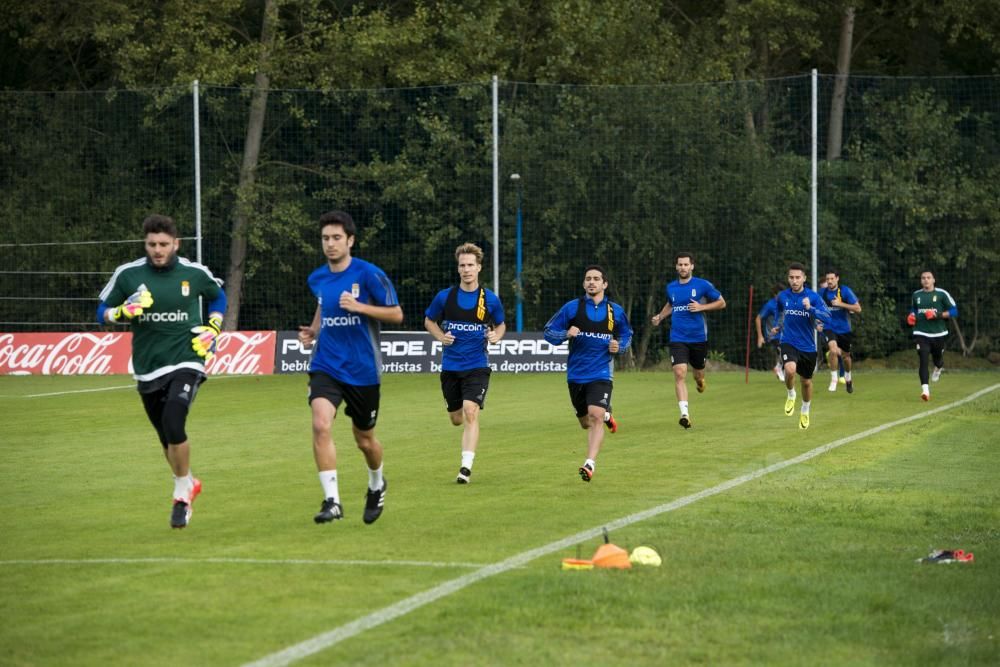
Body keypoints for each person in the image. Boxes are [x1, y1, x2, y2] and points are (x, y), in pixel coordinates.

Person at [97, 214, 226, 529]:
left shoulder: (194, 273)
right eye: (152, 244)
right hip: (147, 366)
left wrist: (214, 325)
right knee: (166, 437)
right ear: (145, 244)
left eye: (163, 244)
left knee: (174, 419)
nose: (157, 250)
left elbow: (217, 296)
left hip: (187, 357)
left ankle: (181, 495)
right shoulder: (127, 275)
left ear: (176, 244)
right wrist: (120, 312)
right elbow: (101, 311)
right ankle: (188, 481)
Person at [298, 210, 403, 525]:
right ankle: (332, 501)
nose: (330, 244)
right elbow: (322, 304)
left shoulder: (369, 274)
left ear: (351, 241)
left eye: (336, 238)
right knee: (320, 424)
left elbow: (396, 314)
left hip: (363, 370)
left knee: (365, 440)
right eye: (325, 239)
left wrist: (360, 307)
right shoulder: (317, 277)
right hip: (326, 364)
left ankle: (376, 483)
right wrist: (314, 331)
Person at [424, 242, 506, 483]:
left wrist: (496, 336)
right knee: (456, 418)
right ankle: (454, 412)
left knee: (471, 412)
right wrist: (441, 336)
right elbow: (429, 321)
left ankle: (465, 468)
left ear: (479, 268)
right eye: (462, 265)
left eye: (471, 265)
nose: (466, 269)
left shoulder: (489, 299)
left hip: (477, 366)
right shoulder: (445, 297)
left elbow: (500, 324)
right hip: (450, 368)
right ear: (458, 268)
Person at [544, 265, 632, 482]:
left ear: (604, 284)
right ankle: (607, 415)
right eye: (588, 279)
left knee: (595, 416)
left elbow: (627, 334)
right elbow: (549, 333)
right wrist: (566, 333)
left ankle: (589, 463)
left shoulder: (615, 311)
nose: (592, 282)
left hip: (601, 372)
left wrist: (619, 346)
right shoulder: (572, 309)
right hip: (576, 376)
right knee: (586, 421)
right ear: (584, 284)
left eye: (596, 279)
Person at [651, 252, 726, 429]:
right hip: (678, 337)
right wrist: (660, 317)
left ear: (692, 266)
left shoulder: (702, 285)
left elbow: (722, 302)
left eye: (686, 264)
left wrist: (702, 307)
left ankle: (700, 381)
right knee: (679, 373)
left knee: (698, 375)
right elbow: (671, 304)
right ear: (676, 267)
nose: (683, 267)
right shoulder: (671, 287)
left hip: (698, 337)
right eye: (680, 265)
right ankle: (684, 414)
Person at [775, 263, 832, 430]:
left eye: (797, 277)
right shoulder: (783, 296)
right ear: (788, 279)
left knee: (806, 382)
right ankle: (791, 394)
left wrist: (811, 308)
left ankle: (805, 410)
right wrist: (778, 325)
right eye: (791, 277)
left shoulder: (813, 297)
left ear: (804, 278)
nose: (794, 280)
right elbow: (778, 312)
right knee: (790, 370)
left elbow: (827, 317)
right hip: (789, 342)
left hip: (807, 347)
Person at [906, 270, 958, 401]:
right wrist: (911, 316)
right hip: (920, 332)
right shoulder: (916, 295)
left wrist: (937, 315)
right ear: (921, 280)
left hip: (938, 333)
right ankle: (925, 391)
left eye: (928, 278)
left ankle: (939, 367)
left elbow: (954, 311)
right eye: (923, 278)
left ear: (933, 280)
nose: (925, 280)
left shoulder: (941, 294)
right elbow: (914, 309)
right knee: (923, 359)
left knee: (937, 360)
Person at [818, 269, 861, 393]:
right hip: (828, 327)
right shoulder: (822, 293)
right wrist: (817, 322)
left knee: (846, 357)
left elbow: (858, 308)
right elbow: (814, 308)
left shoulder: (845, 291)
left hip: (844, 329)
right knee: (832, 349)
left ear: (837, 278)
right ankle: (834, 378)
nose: (829, 281)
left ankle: (848, 376)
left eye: (832, 279)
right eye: (828, 279)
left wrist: (841, 304)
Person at [755, 283, 785, 381]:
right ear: (775, 295)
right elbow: (758, 318)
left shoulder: (787, 303)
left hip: (785, 333)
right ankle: (779, 368)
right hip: (773, 335)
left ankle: (780, 367)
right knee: (783, 349)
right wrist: (760, 336)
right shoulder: (770, 305)